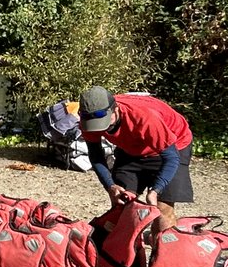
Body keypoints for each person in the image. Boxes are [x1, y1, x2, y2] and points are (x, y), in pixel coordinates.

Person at [79, 86, 194, 233]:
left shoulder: (144, 117)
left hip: (172, 146)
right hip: (132, 147)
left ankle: (162, 250)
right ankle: (125, 252)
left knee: (161, 207)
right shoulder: (87, 119)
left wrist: (155, 190)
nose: (100, 128)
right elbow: (95, 155)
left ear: (115, 110)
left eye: (104, 122)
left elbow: (171, 158)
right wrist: (110, 186)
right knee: (122, 203)